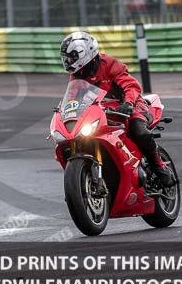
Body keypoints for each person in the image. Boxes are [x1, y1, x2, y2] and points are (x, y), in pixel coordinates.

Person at [60, 31, 174, 187]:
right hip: (103, 110)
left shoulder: (109, 64)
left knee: (139, 131)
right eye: (66, 57)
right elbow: (73, 97)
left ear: (84, 53)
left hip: (131, 104)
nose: (68, 61)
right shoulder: (78, 75)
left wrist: (128, 103)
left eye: (71, 57)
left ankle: (159, 166)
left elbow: (131, 86)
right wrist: (66, 111)